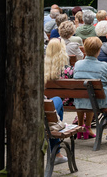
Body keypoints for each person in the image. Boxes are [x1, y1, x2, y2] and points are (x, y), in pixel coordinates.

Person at [73, 37, 107, 141]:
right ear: (99, 50)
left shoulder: (77, 65)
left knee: (104, 101)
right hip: (101, 102)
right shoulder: (103, 66)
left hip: (82, 102)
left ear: (84, 50)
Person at [43, 38, 73, 166]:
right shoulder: (68, 70)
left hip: (45, 107)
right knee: (57, 101)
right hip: (65, 103)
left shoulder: (41, 69)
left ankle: (57, 152)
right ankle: (57, 153)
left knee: (54, 105)